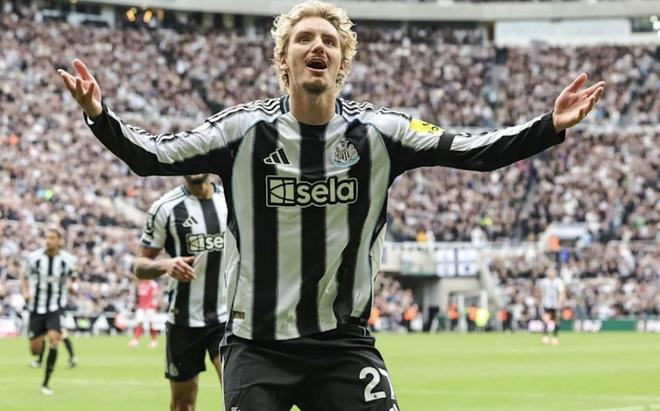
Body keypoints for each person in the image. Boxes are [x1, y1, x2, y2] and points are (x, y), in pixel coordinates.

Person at [58, 1, 605, 408]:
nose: (316, 46)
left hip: (342, 344)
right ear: (285, 59)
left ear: (341, 63)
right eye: (303, 39)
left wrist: (547, 127)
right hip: (257, 346)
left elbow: (472, 149)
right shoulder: (242, 131)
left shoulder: (382, 133)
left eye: (328, 40)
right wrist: (100, 117)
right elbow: (153, 156)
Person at [133, 175, 228, 411]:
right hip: (183, 320)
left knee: (238, 398)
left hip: (227, 319)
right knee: (183, 405)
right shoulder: (165, 208)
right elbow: (139, 265)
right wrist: (165, 265)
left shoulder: (232, 200)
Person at [20, 226, 77, 395]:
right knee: (35, 350)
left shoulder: (67, 260)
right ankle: (41, 340)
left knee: (54, 340)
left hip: (55, 306)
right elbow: (24, 276)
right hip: (36, 307)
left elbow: (74, 277)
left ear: (59, 241)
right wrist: (25, 292)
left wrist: (73, 286)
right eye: (46, 237)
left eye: (52, 238)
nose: (48, 241)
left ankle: (46, 383)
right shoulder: (34, 258)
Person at [128, 279, 160, 349]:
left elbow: (155, 295)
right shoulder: (141, 284)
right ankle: (135, 340)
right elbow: (139, 296)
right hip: (141, 307)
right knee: (139, 322)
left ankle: (154, 341)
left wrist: (153, 305)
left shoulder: (153, 284)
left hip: (150, 307)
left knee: (151, 323)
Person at [538, 267, 565, 346]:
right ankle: (545, 335)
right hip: (547, 303)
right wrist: (541, 301)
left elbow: (561, 293)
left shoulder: (559, 282)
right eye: (548, 272)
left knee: (556, 320)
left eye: (551, 272)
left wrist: (560, 302)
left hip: (556, 303)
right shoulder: (544, 282)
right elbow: (541, 292)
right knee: (546, 319)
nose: (550, 273)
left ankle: (555, 336)